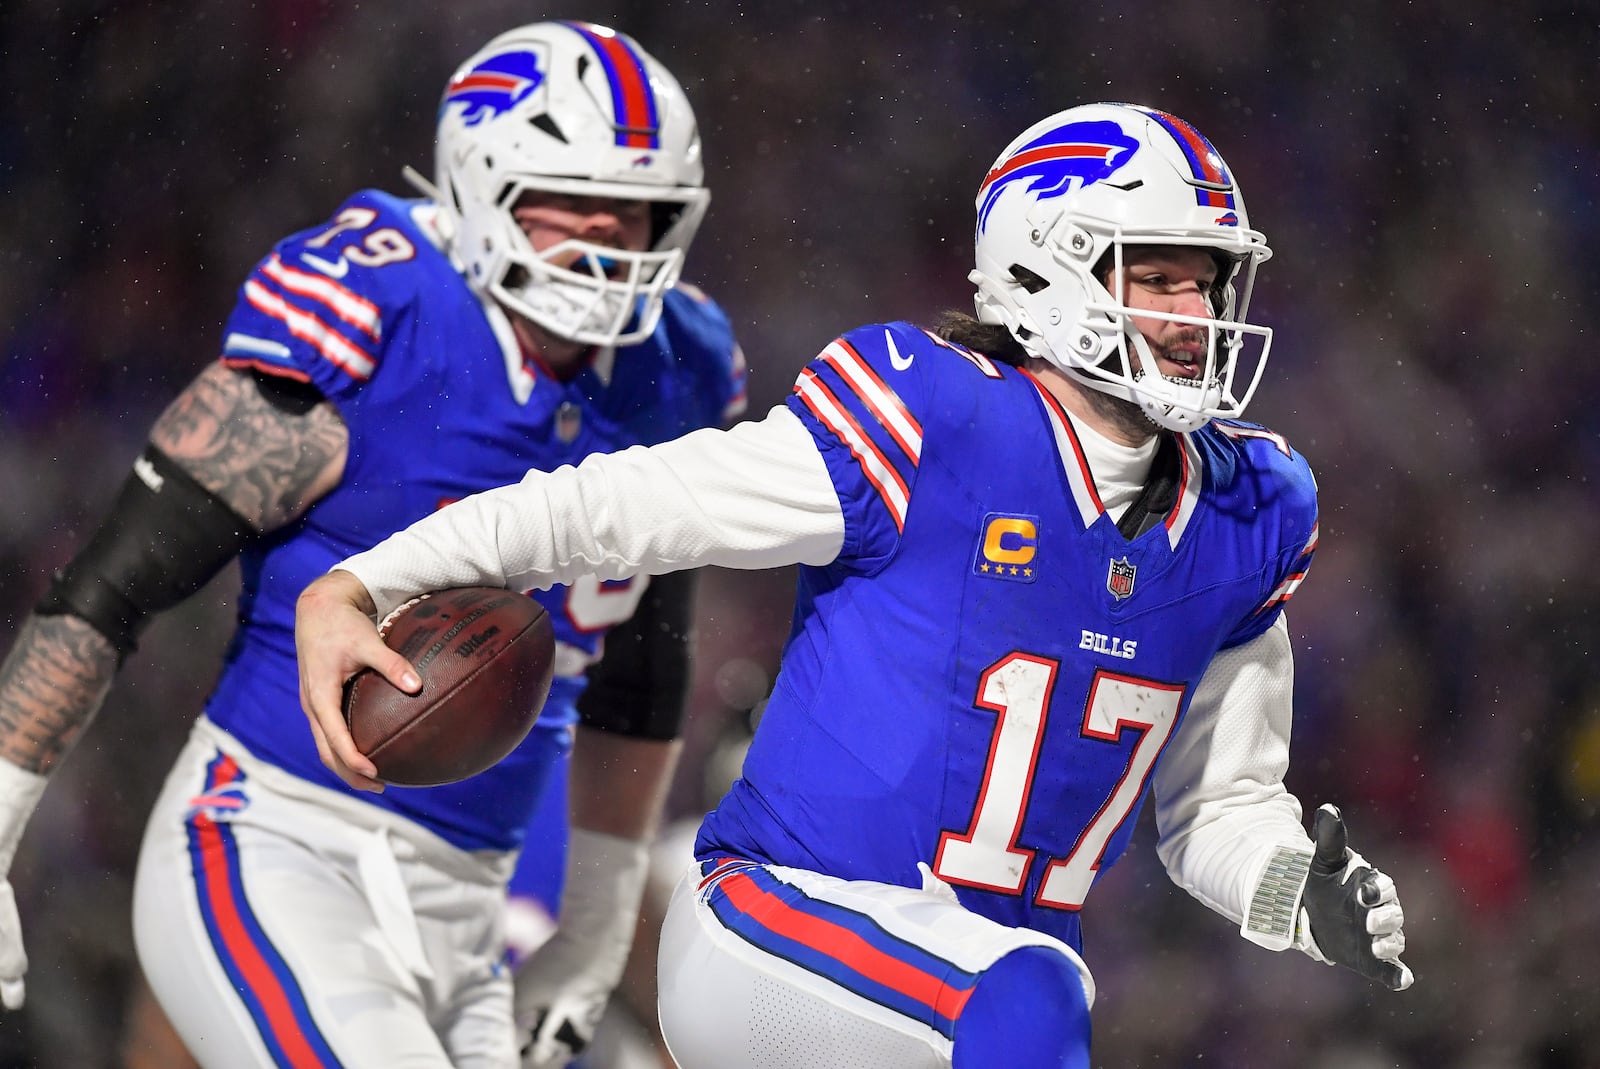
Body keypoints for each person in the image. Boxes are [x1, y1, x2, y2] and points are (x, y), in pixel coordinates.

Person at [293, 101, 1414, 1068]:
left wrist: (1292, 893)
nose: (1193, 316)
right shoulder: (935, 418)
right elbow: (627, 505)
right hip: (771, 927)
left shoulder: (1250, 509)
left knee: (1027, 989)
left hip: (950, 1005)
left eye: (1206, 281)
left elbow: (1215, 806)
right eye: (1155, 276)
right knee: (1030, 991)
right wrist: (374, 577)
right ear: (1044, 266)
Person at [0, 19, 745, 1069]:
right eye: (573, 202)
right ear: (481, 186)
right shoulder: (378, 309)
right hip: (276, 842)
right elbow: (109, 587)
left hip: (476, 908)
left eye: (640, 210)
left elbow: (639, 669)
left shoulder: (681, 371)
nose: (612, 236)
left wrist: (591, 920)